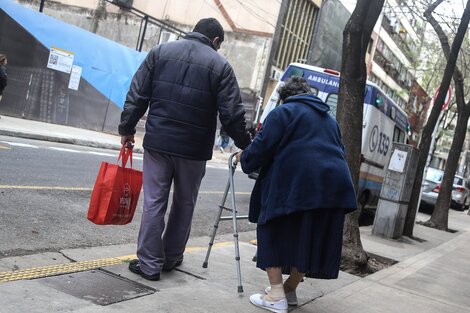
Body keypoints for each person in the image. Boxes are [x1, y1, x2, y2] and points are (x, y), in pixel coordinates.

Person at [119, 18, 252, 281]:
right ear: (216, 41)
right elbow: (232, 115)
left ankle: (149, 264)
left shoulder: (160, 52)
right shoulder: (221, 66)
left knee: (154, 202)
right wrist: (248, 145)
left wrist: (127, 128)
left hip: (158, 143)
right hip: (194, 150)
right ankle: (171, 258)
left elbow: (138, 94)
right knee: (184, 203)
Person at [238, 76, 357, 313]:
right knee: (308, 237)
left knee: (269, 228)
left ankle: (275, 295)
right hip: (333, 188)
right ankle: (289, 289)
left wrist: (245, 157)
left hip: (299, 182)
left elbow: (261, 147)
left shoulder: (283, 112)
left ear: (285, 97)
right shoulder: (329, 120)